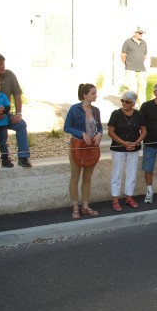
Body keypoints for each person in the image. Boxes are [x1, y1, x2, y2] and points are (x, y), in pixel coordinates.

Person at [64, 83, 103, 219]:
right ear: (85, 95)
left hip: (91, 147)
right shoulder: (74, 109)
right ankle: (75, 206)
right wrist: (82, 134)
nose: (95, 95)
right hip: (78, 146)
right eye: (93, 93)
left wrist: (99, 134)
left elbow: (100, 127)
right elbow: (67, 127)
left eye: (95, 93)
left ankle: (85, 205)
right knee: (75, 177)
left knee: (87, 178)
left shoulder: (96, 110)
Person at [108, 90, 146, 211]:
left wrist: (136, 142)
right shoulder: (116, 114)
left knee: (132, 173)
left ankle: (129, 197)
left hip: (134, 148)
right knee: (117, 173)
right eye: (122, 101)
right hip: (118, 148)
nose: (124, 103)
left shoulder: (138, 114)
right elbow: (110, 131)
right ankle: (115, 199)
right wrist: (123, 143)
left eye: (127, 102)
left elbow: (144, 130)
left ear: (133, 103)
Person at [121, 27, 148, 105]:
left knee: (142, 89)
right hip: (130, 69)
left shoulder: (144, 43)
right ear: (134, 33)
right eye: (139, 33)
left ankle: (142, 107)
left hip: (141, 69)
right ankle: (129, 106)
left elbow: (144, 55)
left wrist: (139, 62)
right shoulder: (128, 42)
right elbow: (123, 55)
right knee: (130, 89)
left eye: (142, 33)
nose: (141, 34)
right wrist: (128, 64)